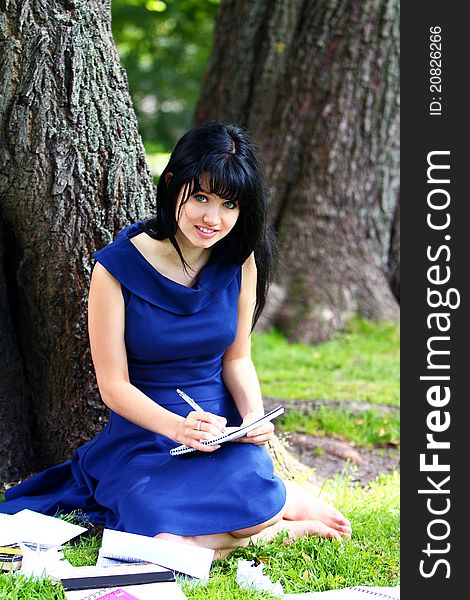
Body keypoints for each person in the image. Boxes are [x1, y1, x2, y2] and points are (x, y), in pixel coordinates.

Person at [0, 122, 351, 558]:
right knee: (153, 538)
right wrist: (178, 427)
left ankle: (275, 510)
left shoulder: (240, 262)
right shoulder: (115, 269)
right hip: (145, 432)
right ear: (172, 184)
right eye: (200, 196)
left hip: (220, 429)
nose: (212, 218)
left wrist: (253, 417)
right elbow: (114, 387)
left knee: (250, 510)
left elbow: (237, 359)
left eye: (229, 205)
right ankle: (281, 525)